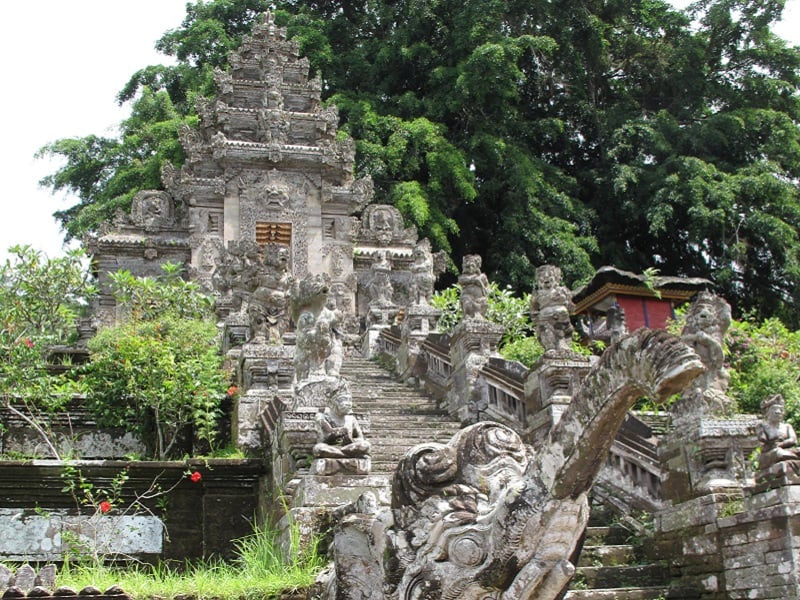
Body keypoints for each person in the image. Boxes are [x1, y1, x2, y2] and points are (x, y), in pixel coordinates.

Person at [313, 381, 370, 459]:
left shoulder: (351, 419)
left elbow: (361, 439)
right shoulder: (323, 418)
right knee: (319, 449)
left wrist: (351, 440)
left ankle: (340, 453)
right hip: (331, 446)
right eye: (343, 399)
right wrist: (333, 435)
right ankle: (346, 454)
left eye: (350, 400)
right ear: (332, 403)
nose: (348, 403)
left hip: (348, 446)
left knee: (365, 445)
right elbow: (321, 441)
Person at [758, 394, 800, 471]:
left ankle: (793, 457)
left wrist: (780, 444)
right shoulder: (762, 426)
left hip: (786, 450)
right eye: (774, 409)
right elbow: (763, 439)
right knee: (779, 453)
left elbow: (794, 440)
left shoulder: (787, 426)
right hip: (770, 453)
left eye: (781, 410)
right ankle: (795, 457)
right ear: (768, 411)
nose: (778, 412)